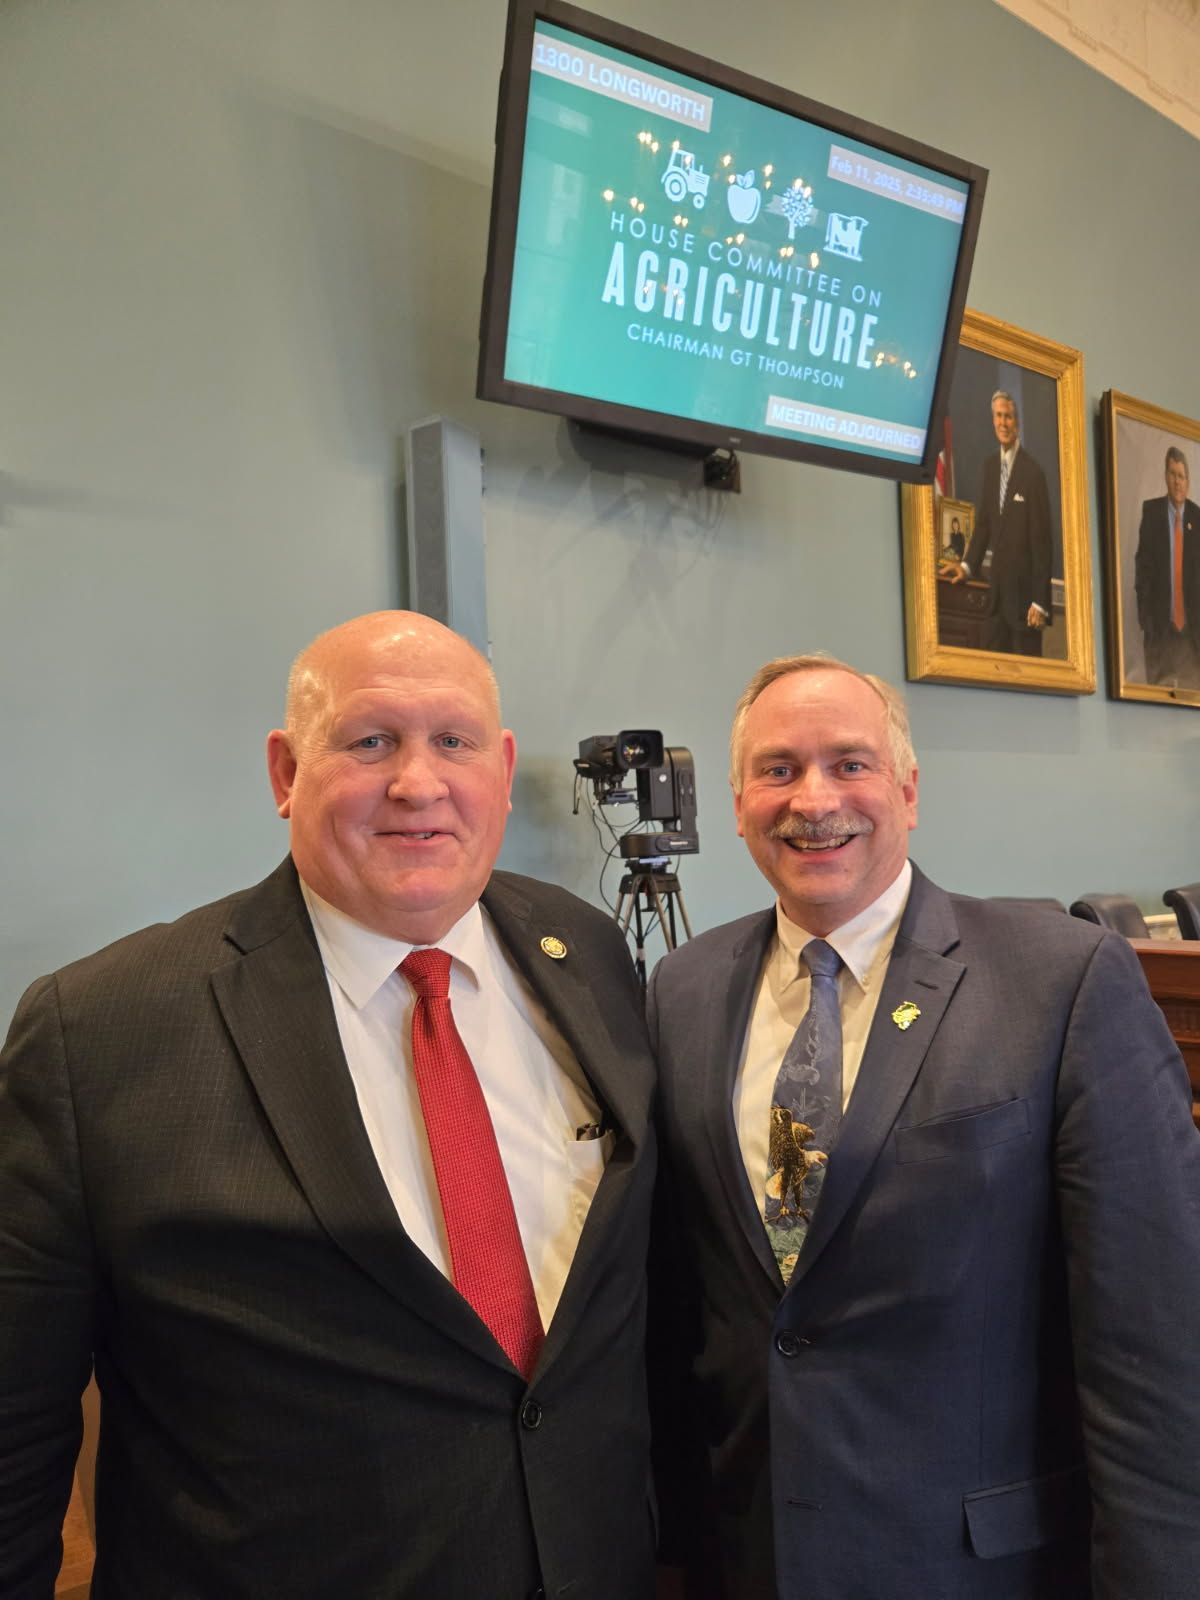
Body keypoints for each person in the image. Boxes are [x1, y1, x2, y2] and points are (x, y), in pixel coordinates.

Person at [0, 611, 657, 1600]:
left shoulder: (587, 952)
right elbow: (15, 1422)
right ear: (285, 772)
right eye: (370, 742)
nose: (418, 784)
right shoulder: (98, 1030)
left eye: (454, 741)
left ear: (501, 766)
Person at [648, 652, 1200, 1599]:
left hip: (981, 1567)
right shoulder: (681, 990)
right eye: (778, 769)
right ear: (738, 804)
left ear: (907, 790)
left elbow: (1155, 1336)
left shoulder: (1062, 981)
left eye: (849, 764)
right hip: (752, 1555)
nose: (813, 799)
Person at [944, 390, 1053, 654]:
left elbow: (1043, 544)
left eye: (1008, 417)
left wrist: (1040, 602)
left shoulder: (1033, 473)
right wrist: (967, 566)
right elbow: (984, 525)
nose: (1003, 423)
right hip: (996, 604)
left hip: (1026, 608)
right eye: (999, 416)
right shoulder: (990, 467)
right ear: (993, 420)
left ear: (1018, 422)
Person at [1134, 445, 1200, 687]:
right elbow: (1143, 572)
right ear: (1165, 476)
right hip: (1160, 633)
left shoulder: (1198, 518)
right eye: (1173, 474)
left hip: (1192, 637)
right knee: (1157, 699)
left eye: (1181, 476)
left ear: (1188, 481)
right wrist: (1147, 622)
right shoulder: (1152, 513)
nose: (1177, 482)